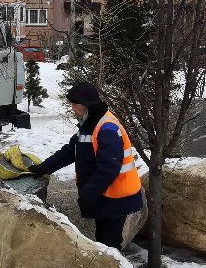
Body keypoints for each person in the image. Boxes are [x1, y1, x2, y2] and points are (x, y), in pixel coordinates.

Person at [27, 82, 143, 251]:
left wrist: (88, 194)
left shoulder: (107, 128)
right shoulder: (89, 124)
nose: (72, 109)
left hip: (118, 197)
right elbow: (70, 151)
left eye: (75, 105)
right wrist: (44, 167)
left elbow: (108, 168)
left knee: (109, 245)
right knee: (103, 243)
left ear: (86, 105)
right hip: (106, 195)